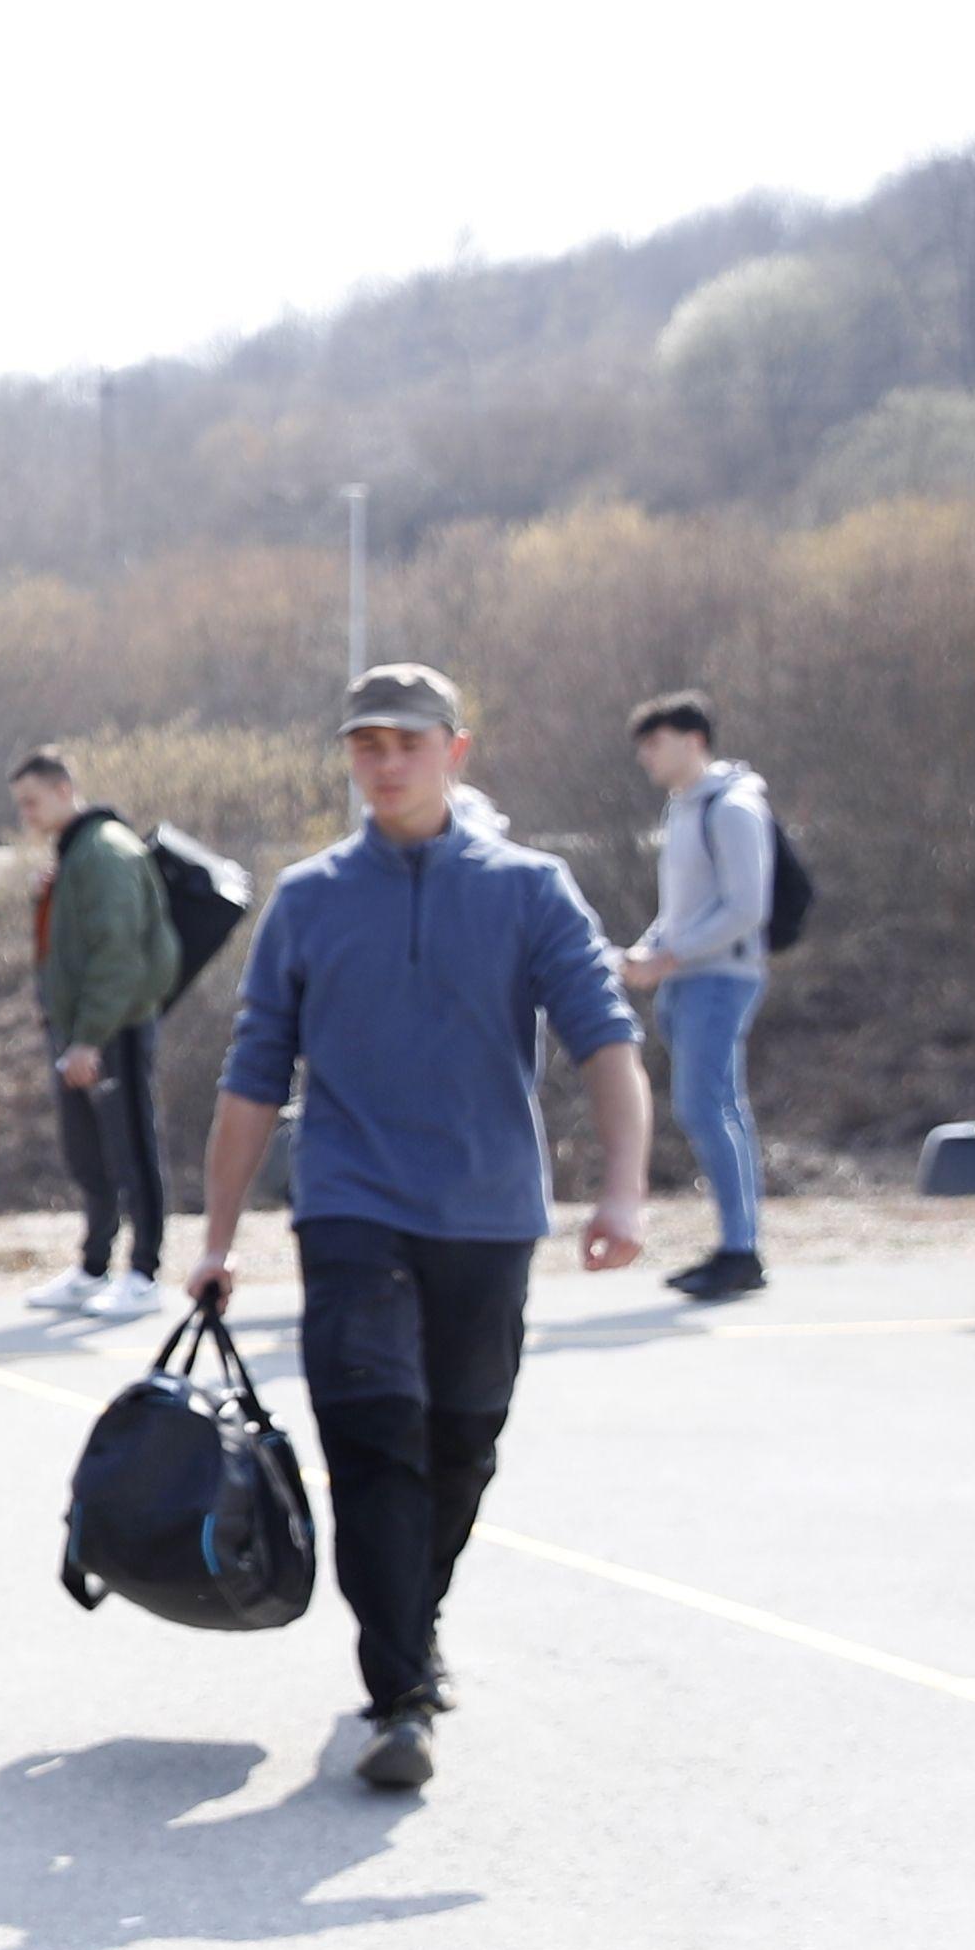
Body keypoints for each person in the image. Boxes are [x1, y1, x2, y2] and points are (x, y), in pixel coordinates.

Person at [189, 662, 652, 1794]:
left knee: (460, 1446)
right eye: (367, 744)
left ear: (456, 750)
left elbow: (604, 1038)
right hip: (350, 1207)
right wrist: (216, 1238)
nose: (386, 763)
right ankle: (399, 1692)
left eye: (407, 742)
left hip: (488, 1214)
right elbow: (254, 1074)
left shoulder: (530, 889)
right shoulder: (308, 899)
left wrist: (624, 1191)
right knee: (374, 1440)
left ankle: (414, 1625)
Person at [612, 690, 778, 1302]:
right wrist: (650, 949)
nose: (647, 757)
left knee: (706, 1107)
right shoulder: (682, 809)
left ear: (694, 740)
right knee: (716, 1106)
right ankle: (739, 1245)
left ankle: (740, 1250)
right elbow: (680, 908)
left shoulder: (732, 808)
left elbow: (746, 907)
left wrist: (671, 955)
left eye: (656, 743)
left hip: (722, 978)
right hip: (686, 978)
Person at [11, 747, 175, 1320]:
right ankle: (94, 1265)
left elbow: (118, 954)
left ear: (64, 790)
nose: (26, 815)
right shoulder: (76, 854)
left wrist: (90, 1038)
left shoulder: (104, 852)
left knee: (131, 1148)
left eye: (32, 801)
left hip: (113, 1029)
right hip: (79, 1027)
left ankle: (145, 1272)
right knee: (89, 1153)